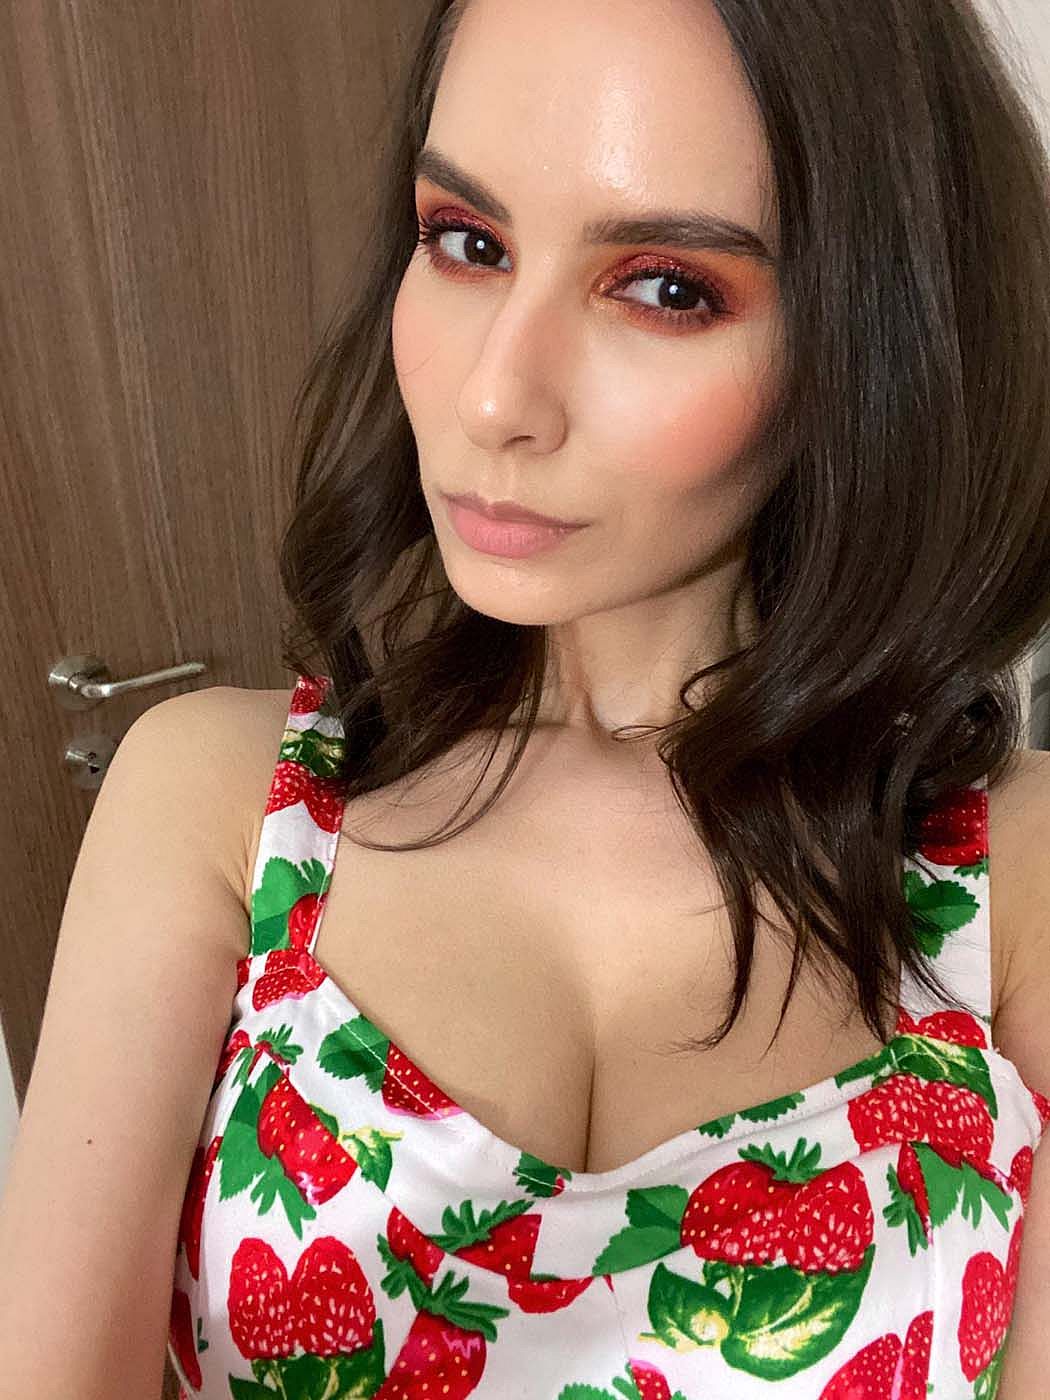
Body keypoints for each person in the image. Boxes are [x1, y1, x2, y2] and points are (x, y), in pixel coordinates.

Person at [4, 0, 1050, 1396]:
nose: (495, 397)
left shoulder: (1019, 879)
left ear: (878, 345)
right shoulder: (215, 804)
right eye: (468, 242)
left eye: (665, 287)